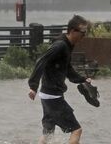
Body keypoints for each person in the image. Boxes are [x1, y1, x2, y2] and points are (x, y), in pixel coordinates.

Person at [28, 15, 93, 144]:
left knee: (48, 134)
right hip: (53, 97)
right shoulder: (60, 45)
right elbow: (41, 61)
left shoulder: (68, 45)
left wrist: (82, 79)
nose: (84, 36)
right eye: (83, 33)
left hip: (48, 95)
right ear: (73, 31)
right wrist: (33, 86)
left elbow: (67, 68)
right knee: (77, 130)